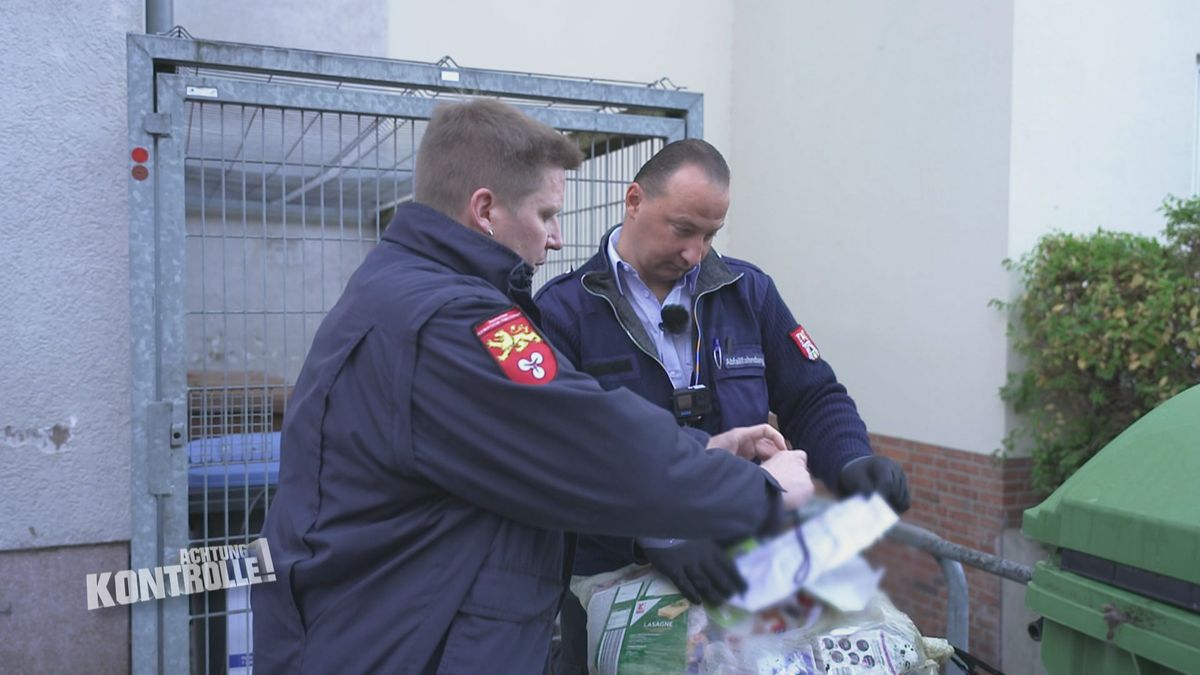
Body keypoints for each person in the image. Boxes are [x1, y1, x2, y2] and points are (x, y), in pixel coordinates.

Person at [251, 101, 816, 674]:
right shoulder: (449, 323)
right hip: (400, 645)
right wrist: (758, 490)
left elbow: (558, 435)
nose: (555, 239)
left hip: (392, 630)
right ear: (485, 209)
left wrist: (708, 450)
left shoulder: (404, 291)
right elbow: (584, 439)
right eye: (546, 214)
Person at [535, 138, 911, 674]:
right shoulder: (565, 310)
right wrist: (655, 532)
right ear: (634, 200)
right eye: (683, 228)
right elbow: (563, 455)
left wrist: (852, 460)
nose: (696, 252)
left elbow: (813, 394)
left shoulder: (747, 292)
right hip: (614, 578)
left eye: (711, 234)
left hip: (743, 565)